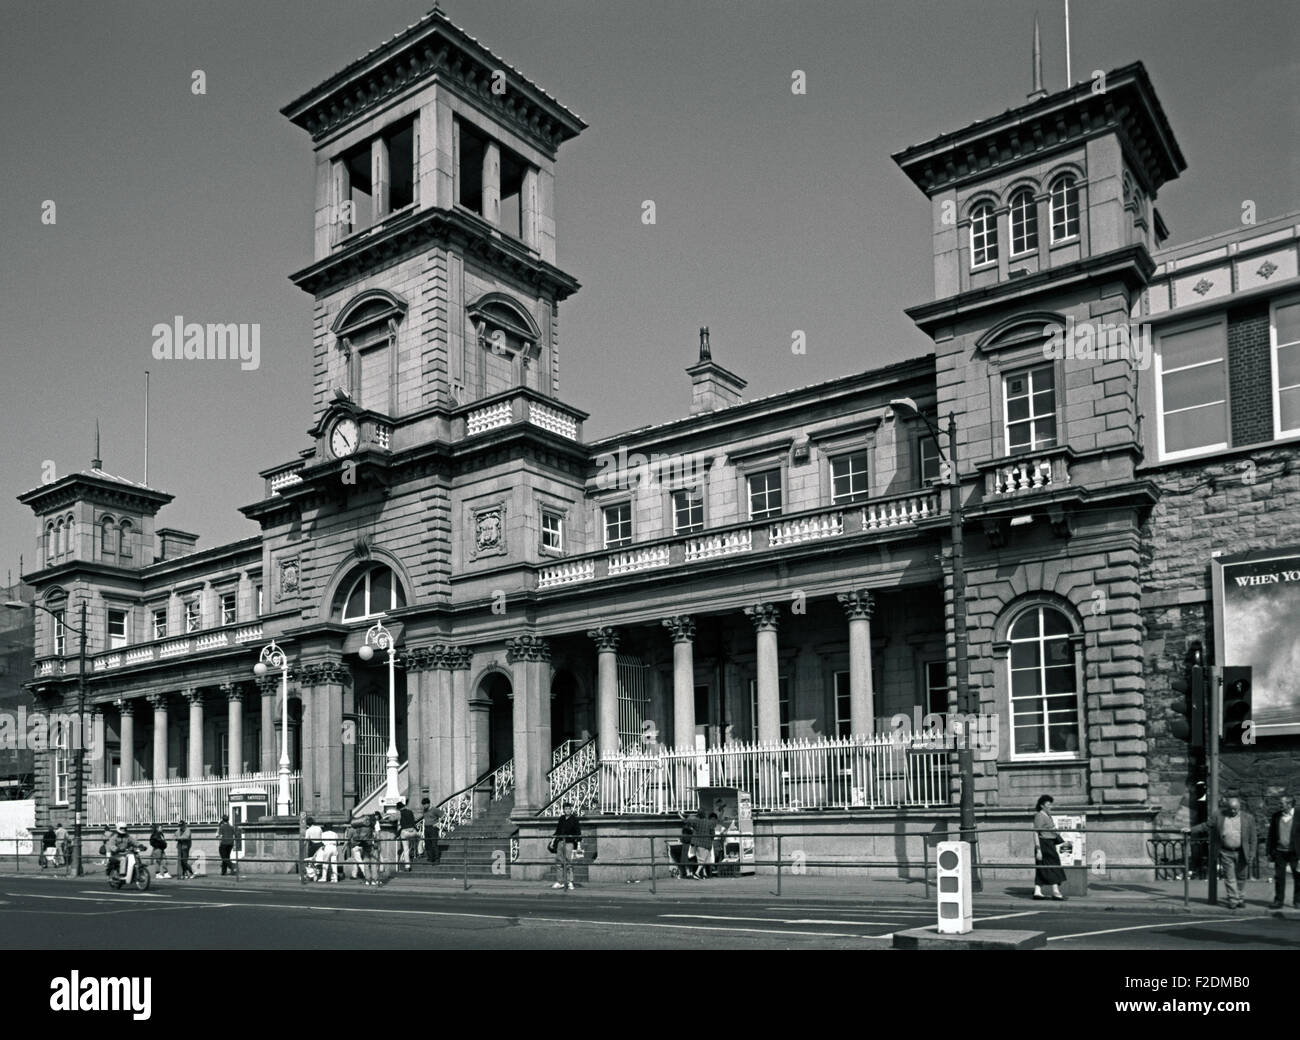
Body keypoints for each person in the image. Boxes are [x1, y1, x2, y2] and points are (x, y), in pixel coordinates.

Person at [1187, 796, 1257, 910]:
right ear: (1227, 807)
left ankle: (1240, 898)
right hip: (1226, 851)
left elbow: (1253, 838)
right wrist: (1191, 830)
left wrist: (1252, 853)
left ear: (1239, 807)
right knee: (1230, 877)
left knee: (1241, 877)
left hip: (1242, 852)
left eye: (1235, 809)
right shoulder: (1219, 816)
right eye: (1231, 809)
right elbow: (1206, 825)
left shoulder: (1248, 818)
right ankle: (1233, 900)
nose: (1233, 811)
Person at [1266, 794, 1298, 910]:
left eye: (1282, 803)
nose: (1279, 805)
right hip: (1279, 851)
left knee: (1298, 876)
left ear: (1289, 804)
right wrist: (1269, 852)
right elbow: (1271, 835)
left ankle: (1297, 901)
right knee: (1279, 877)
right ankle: (1278, 901)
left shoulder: (1299, 815)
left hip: (1295, 852)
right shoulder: (1276, 816)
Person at [1032, 794, 1066, 901]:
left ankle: (1037, 891)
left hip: (1049, 843)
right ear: (1042, 805)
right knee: (1053, 865)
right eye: (1048, 804)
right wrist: (1038, 850)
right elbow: (1035, 833)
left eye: (1051, 804)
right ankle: (1055, 891)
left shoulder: (1047, 815)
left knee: (1044, 867)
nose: (1050, 806)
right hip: (1043, 844)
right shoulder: (1039, 816)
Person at [551, 802, 581, 890]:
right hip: (560, 842)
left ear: (571, 810)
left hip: (569, 843)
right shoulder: (561, 819)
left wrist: (578, 845)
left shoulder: (574, 819)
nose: (567, 810)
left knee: (568, 862)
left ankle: (570, 881)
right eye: (566, 809)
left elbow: (578, 832)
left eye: (569, 809)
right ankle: (560, 882)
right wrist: (553, 841)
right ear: (563, 810)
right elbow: (558, 831)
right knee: (559, 862)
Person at [688, 809, 713, 880]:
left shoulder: (696, 821)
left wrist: (680, 815)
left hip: (697, 843)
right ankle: (697, 873)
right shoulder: (709, 822)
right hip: (706, 843)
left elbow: (687, 822)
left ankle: (704, 874)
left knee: (702, 859)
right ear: (705, 814)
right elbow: (712, 833)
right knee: (703, 860)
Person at [398, 801, 418, 871]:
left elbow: (392, 818)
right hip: (413, 832)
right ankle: (419, 851)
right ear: (404, 806)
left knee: (406, 849)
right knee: (420, 837)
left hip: (405, 832)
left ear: (399, 808)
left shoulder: (399, 813)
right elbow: (415, 820)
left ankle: (407, 866)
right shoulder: (410, 812)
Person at [421, 797, 441, 865]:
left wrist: (437, 823)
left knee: (434, 844)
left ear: (428, 804)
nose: (424, 806)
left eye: (425, 804)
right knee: (427, 844)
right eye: (423, 804)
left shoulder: (434, 809)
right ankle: (430, 858)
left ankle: (437, 859)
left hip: (433, 828)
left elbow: (443, 815)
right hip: (426, 828)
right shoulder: (424, 810)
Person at [304, 815, 323, 881]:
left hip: (313, 845)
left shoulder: (308, 830)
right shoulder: (319, 828)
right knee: (319, 861)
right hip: (320, 845)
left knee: (310, 860)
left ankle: (312, 875)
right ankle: (319, 874)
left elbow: (306, 840)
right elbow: (322, 836)